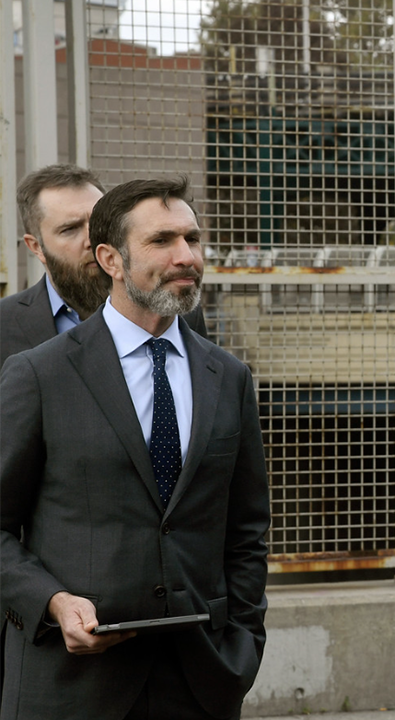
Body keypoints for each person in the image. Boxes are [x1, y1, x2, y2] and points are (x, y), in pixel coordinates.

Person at [0, 177, 271, 720]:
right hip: (71, 685)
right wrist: (52, 602)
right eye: (162, 241)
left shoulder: (229, 377)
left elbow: (246, 531)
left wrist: (242, 645)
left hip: (201, 682)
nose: (186, 256)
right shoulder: (40, 374)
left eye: (193, 239)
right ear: (110, 259)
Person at [1, 164, 208, 367]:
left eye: (99, 223)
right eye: (70, 229)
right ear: (36, 246)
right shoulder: (6, 324)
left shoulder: (173, 308)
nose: (92, 238)